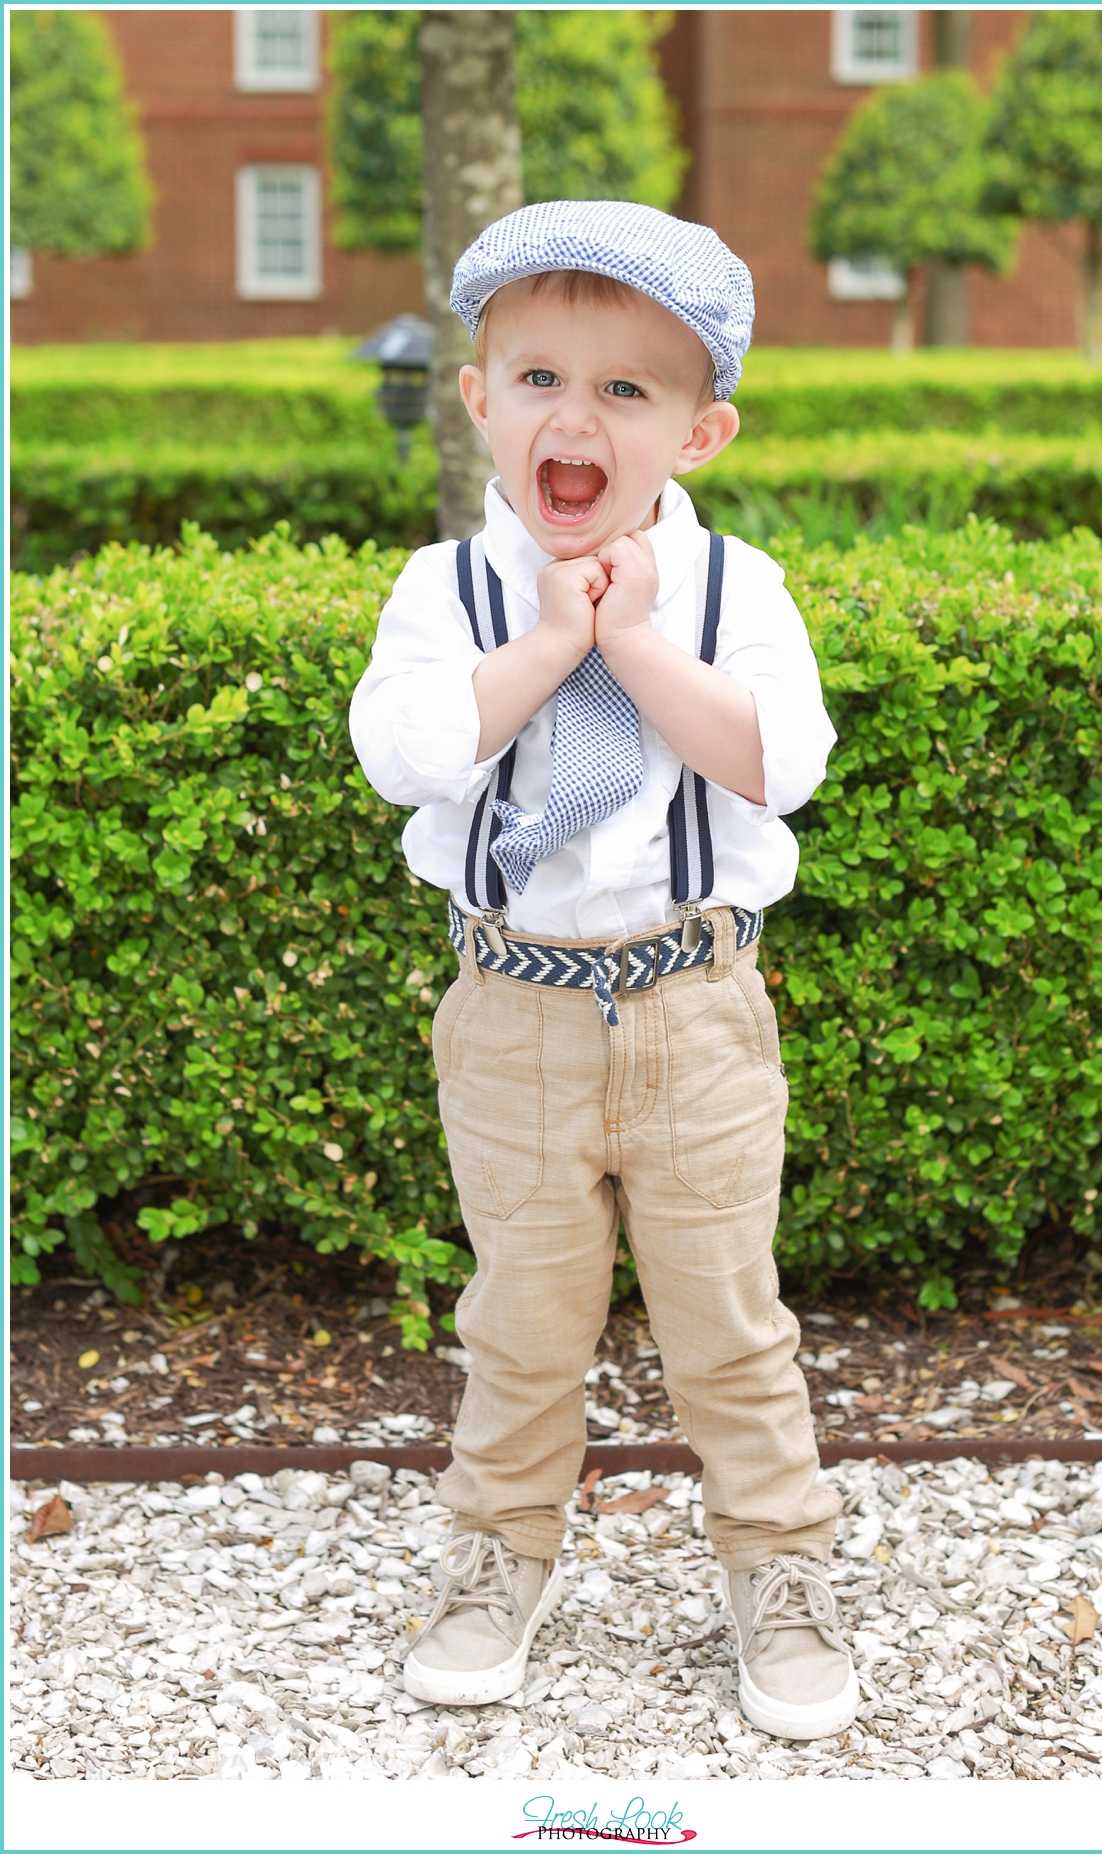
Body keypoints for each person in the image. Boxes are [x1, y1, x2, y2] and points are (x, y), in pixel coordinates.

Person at [349, 199, 858, 1742]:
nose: (577, 416)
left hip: (698, 1008)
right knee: (523, 1309)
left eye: (625, 391)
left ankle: (779, 1564)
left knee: (727, 1309)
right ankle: (499, 1553)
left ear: (698, 434)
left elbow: (779, 761)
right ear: (482, 401)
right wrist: (553, 645)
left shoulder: (733, 592)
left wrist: (632, 643)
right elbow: (413, 751)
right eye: (541, 377)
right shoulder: (448, 595)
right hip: (513, 1012)